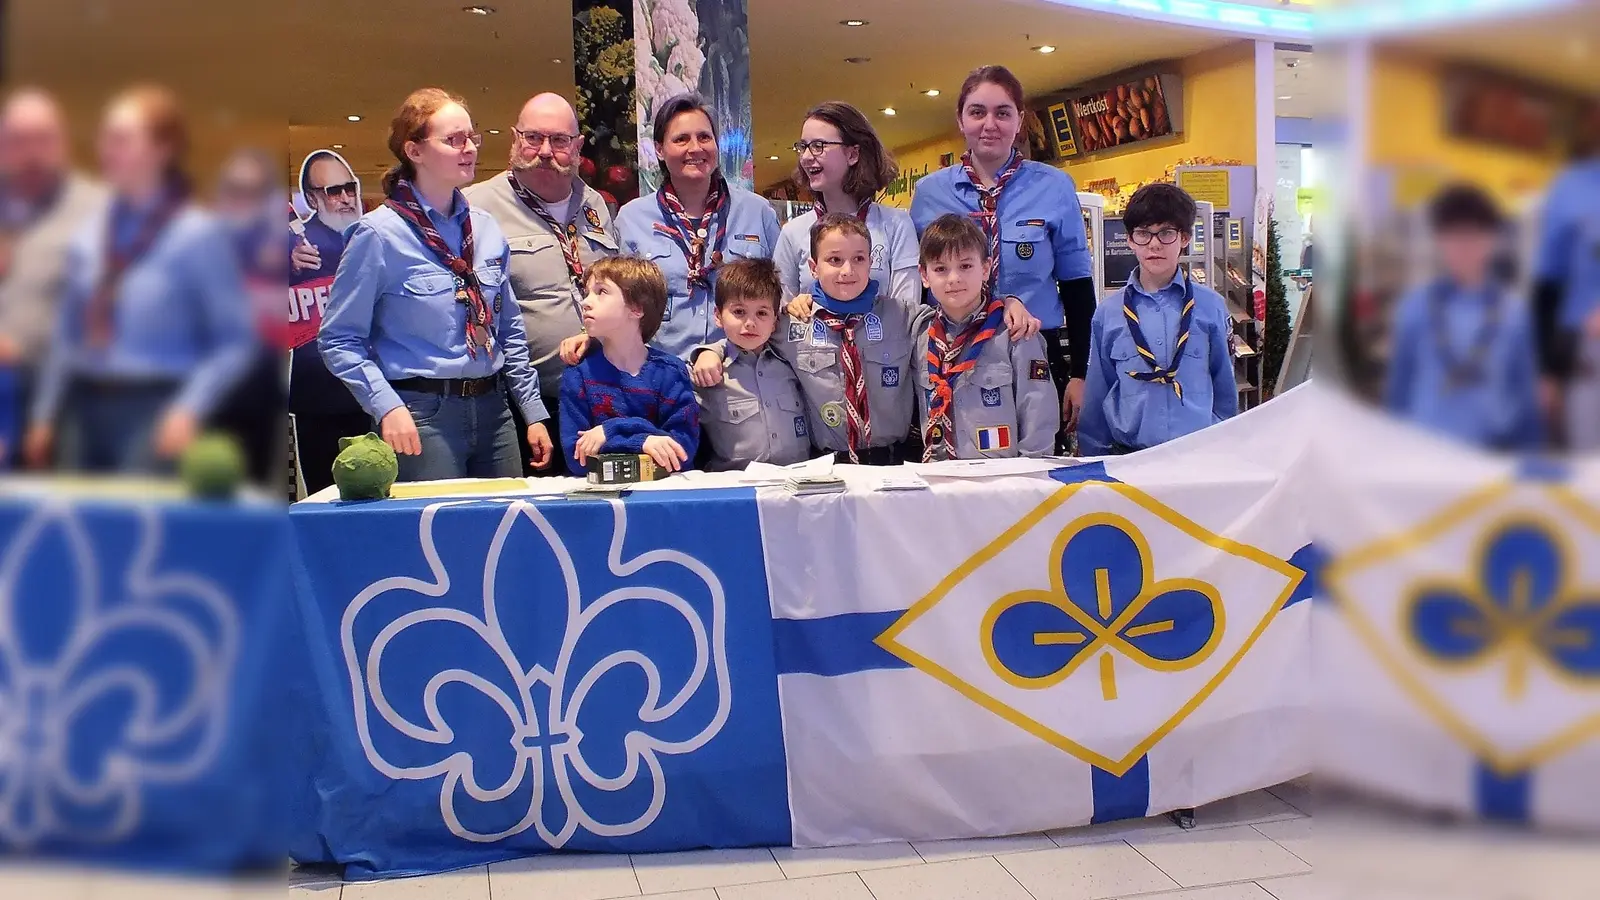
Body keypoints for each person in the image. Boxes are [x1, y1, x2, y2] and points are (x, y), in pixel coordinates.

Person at [319, 87, 552, 482]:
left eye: (471, 137)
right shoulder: (378, 235)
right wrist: (385, 406)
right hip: (421, 414)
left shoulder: (485, 228)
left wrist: (531, 411)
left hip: (495, 411)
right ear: (414, 151)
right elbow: (338, 339)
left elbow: (508, 328)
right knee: (440, 536)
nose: (470, 149)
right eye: (454, 140)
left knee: (510, 530)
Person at [23, 85, 256, 474]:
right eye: (105, 138)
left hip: (155, 410)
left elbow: (233, 340)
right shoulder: (89, 230)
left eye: (121, 139)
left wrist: (189, 408)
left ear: (162, 150)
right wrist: (44, 413)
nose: (106, 150)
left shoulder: (196, 234)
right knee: (75, 527)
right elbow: (67, 330)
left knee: (137, 531)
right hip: (80, 411)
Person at [910, 65, 1096, 447]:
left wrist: (1081, 373)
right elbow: (920, 285)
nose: (989, 124)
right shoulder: (930, 194)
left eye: (1003, 112)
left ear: (1020, 120)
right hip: (952, 353)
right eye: (977, 112)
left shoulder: (1054, 186)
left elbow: (1077, 286)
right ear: (960, 120)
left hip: (1035, 352)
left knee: (1035, 466)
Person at [463, 93, 619, 475]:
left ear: (578, 146)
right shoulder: (473, 207)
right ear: (515, 139)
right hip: (523, 406)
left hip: (599, 395)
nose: (545, 151)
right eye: (533, 138)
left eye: (559, 140)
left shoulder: (594, 204)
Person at [699, 215, 928, 466]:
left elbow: (948, 323)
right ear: (813, 267)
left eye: (859, 259)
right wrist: (710, 352)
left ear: (871, 263)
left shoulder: (902, 316)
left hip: (893, 464)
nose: (847, 270)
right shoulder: (792, 323)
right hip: (826, 467)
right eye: (834, 260)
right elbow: (747, 339)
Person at [609, 93, 780, 359]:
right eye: (680, 139)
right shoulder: (632, 219)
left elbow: (781, 296)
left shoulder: (757, 212)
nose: (695, 148)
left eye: (704, 137)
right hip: (662, 378)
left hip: (740, 376)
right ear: (659, 150)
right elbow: (617, 306)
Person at [1078, 183, 1237, 456]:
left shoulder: (1211, 307)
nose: (1154, 244)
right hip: (1129, 457)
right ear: (1129, 240)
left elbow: (1224, 387)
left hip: (1199, 454)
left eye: (1166, 233)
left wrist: (1226, 449)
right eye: (1143, 234)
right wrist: (1094, 457)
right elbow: (1097, 392)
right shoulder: (1109, 313)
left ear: (1185, 238)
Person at [1385, 184, 1542, 451]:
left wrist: (1530, 459)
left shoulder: (1514, 313)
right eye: (1454, 237)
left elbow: (1525, 395)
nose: (1463, 247)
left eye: (1473, 236)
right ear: (1440, 241)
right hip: (1423, 453)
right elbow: (1399, 390)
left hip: (1491, 456)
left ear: (1491, 240)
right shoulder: (1415, 308)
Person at [0, 88, 105, 467]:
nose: (31, 153)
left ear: (63, 144)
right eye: (17, 141)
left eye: (43, 139)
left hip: (68, 400)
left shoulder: (99, 210)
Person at [915, 214, 1058, 460]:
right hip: (937, 477)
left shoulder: (1015, 332)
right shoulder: (918, 333)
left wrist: (1030, 479)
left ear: (985, 268)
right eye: (940, 269)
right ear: (924, 276)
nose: (954, 278)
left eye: (965, 266)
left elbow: (1038, 415)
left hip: (1002, 481)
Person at [560, 256, 699, 475]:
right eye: (586, 293)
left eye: (601, 292)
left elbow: (681, 451)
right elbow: (578, 459)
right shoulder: (578, 374)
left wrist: (611, 430)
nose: (586, 302)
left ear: (636, 308)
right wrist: (646, 442)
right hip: (604, 500)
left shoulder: (670, 372)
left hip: (664, 497)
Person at [772, 101, 920, 303]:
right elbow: (780, 313)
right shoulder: (793, 233)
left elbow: (907, 311)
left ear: (852, 154)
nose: (806, 157)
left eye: (818, 146)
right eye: (803, 147)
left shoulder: (896, 225)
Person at [289, 149, 371, 495]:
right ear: (311, 197)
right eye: (333, 191)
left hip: (378, 393)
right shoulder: (294, 243)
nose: (345, 198)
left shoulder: (374, 235)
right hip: (316, 400)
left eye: (349, 188)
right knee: (326, 500)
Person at [210, 146, 290, 487]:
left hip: (261, 384)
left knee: (255, 487)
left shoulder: (278, 246)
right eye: (237, 190)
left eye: (255, 191)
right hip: (206, 383)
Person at [691, 257, 810, 470]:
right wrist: (708, 352)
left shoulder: (790, 361)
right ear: (718, 316)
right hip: (736, 490)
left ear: (775, 321)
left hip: (797, 483)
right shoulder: (709, 372)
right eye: (739, 312)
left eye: (762, 313)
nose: (750, 322)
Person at [1533, 154, 1600, 451]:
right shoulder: (1571, 188)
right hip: (1586, 357)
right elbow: (1549, 283)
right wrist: (1544, 370)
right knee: (1587, 471)